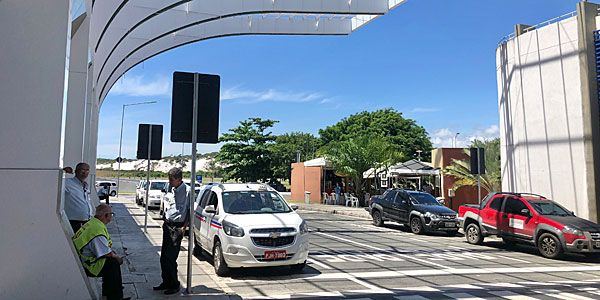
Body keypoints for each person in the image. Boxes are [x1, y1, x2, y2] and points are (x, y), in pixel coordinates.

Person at [72, 204, 130, 300]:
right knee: (113, 263)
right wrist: (118, 258)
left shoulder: (93, 223)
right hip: (89, 265)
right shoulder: (97, 230)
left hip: (84, 259)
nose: (112, 216)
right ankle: (115, 297)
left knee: (111, 261)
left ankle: (108, 292)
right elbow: (105, 253)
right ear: (106, 215)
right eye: (111, 213)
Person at [154, 167, 189, 295]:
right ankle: (166, 282)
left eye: (171, 180)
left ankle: (174, 284)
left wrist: (184, 227)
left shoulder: (187, 191)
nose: (169, 182)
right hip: (168, 225)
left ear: (179, 180)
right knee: (163, 257)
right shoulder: (173, 189)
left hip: (177, 226)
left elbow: (190, 211)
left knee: (170, 257)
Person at [64, 162, 93, 232]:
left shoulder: (86, 185)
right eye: (82, 170)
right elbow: (54, 181)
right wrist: (62, 171)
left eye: (87, 170)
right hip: (74, 222)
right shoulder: (67, 183)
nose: (84, 172)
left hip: (87, 222)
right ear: (76, 171)